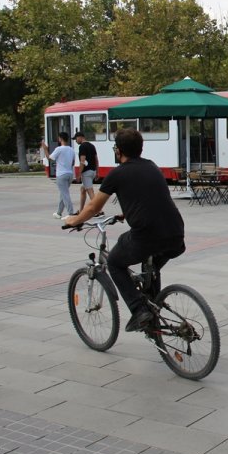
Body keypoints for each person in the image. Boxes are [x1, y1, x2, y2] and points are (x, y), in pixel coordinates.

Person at [64, 129, 185, 332]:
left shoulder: (117, 173)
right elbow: (148, 199)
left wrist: (75, 220)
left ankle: (139, 310)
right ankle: (153, 308)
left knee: (114, 262)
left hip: (148, 235)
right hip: (175, 233)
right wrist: (125, 214)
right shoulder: (152, 166)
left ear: (118, 151)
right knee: (151, 269)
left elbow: (94, 207)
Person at [40, 132, 76, 219]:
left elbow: (50, 158)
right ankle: (59, 213)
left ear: (60, 139)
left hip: (61, 174)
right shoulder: (71, 149)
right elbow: (73, 162)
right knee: (63, 194)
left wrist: (45, 149)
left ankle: (71, 213)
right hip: (70, 174)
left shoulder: (59, 149)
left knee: (65, 194)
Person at [73, 132, 100, 214]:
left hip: (86, 172)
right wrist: (97, 172)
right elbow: (96, 160)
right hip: (93, 171)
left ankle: (99, 211)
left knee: (90, 192)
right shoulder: (92, 146)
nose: (76, 141)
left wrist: (79, 174)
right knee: (83, 190)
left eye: (76, 139)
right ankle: (81, 210)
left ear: (80, 137)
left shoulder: (82, 147)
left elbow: (82, 161)